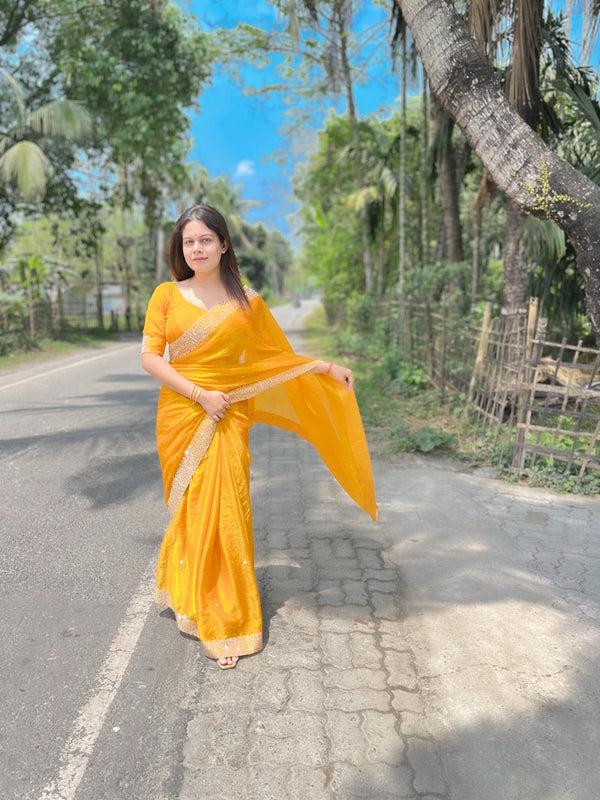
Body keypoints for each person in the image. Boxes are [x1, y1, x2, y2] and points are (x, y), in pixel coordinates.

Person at [142, 204, 377, 670]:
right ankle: (192, 595)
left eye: (205, 240)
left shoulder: (247, 303)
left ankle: (226, 620)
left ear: (224, 244)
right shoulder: (166, 295)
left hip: (227, 414)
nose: (196, 249)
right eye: (189, 242)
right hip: (182, 413)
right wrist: (199, 393)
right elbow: (151, 358)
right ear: (180, 248)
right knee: (193, 508)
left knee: (225, 508)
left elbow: (275, 359)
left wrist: (326, 368)